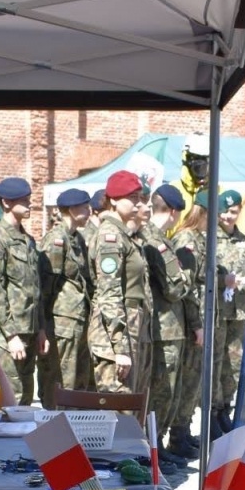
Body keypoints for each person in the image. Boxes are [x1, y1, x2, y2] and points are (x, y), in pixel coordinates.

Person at [140, 183, 193, 472]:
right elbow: (175, 287)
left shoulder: (151, 236)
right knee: (161, 393)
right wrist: (188, 273)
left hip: (164, 328)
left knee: (163, 393)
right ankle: (152, 452)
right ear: (172, 212)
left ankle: (156, 449)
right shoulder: (157, 240)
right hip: (164, 329)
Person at [88, 170, 153, 402]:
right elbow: (109, 293)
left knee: (134, 406)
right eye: (132, 198)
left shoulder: (126, 235)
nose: (138, 203)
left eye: (139, 197)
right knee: (119, 406)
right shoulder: (110, 237)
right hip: (116, 332)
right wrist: (120, 347)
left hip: (135, 325)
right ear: (114, 200)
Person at [0, 177, 43, 404]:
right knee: (9, 400)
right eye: (23, 200)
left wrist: (42, 329)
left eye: (29, 199)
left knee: (26, 398)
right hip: (7, 334)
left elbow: (36, 289)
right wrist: (11, 335)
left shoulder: (27, 240)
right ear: (6, 203)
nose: (29, 204)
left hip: (29, 330)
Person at [167, 190, 212, 458]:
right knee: (186, 382)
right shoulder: (187, 239)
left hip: (199, 320)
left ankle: (182, 432)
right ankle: (176, 436)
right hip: (188, 322)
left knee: (193, 382)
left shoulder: (199, 239)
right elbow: (189, 288)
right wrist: (196, 324)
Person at [39, 187, 95, 397]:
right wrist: (43, 327)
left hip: (78, 320)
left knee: (79, 381)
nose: (89, 211)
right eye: (85, 207)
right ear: (71, 210)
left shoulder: (76, 239)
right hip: (61, 323)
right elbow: (46, 288)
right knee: (61, 380)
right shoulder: (57, 240)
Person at [213, 189, 245, 434]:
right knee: (216, 364)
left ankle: (226, 409)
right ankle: (214, 413)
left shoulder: (244, 241)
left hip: (238, 312)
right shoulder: (211, 239)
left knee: (233, 365)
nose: (228, 216)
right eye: (225, 211)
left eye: (233, 211)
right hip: (217, 312)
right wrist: (222, 281)